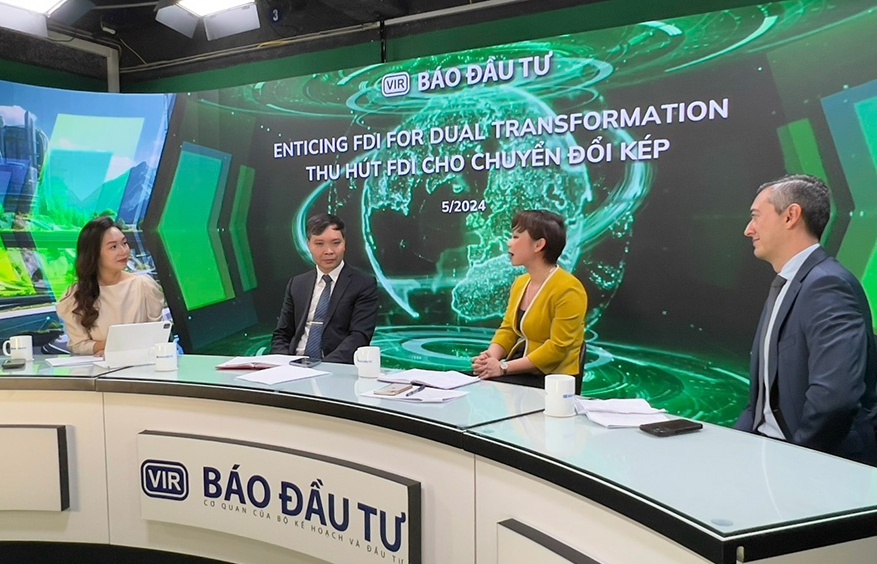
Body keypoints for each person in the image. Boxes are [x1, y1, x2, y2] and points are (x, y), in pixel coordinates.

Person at [735, 174, 877, 465]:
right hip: (772, 456)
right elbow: (762, 403)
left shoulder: (826, 284)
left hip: (817, 466)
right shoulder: (788, 284)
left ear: (791, 216)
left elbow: (835, 398)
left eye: (756, 216)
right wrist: (731, 447)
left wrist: (796, 460)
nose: (749, 230)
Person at [472, 210, 587, 392]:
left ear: (538, 245)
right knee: (464, 384)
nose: (509, 242)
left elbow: (558, 348)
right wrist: (490, 358)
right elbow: (508, 329)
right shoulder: (520, 283)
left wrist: (503, 367)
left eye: (515, 237)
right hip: (517, 371)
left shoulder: (569, 289)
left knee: (479, 389)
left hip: (551, 381)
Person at [271, 213, 379, 364]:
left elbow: (359, 337)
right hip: (294, 366)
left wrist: (323, 367)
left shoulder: (363, 284)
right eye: (319, 244)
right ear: (309, 245)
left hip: (334, 367)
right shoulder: (297, 284)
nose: (329, 251)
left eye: (336, 243)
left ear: (344, 243)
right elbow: (282, 334)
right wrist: (283, 364)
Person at [57, 216, 165, 356]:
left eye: (124, 243)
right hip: (97, 367)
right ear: (94, 253)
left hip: (141, 365)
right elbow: (78, 345)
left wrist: (116, 348)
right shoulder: (76, 295)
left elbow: (157, 338)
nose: (123, 251)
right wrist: (106, 348)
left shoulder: (144, 286)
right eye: (113, 247)